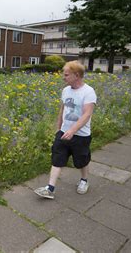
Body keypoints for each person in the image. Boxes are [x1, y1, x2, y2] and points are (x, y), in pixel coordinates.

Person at [35, 60, 96, 199]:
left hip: (81, 135)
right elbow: (62, 110)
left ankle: (84, 180)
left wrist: (73, 130)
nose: (64, 77)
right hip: (63, 133)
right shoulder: (65, 90)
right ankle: (50, 188)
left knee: (81, 161)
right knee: (57, 158)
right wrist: (59, 128)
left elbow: (87, 114)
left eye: (67, 74)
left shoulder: (88, 92)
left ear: (77, 75)